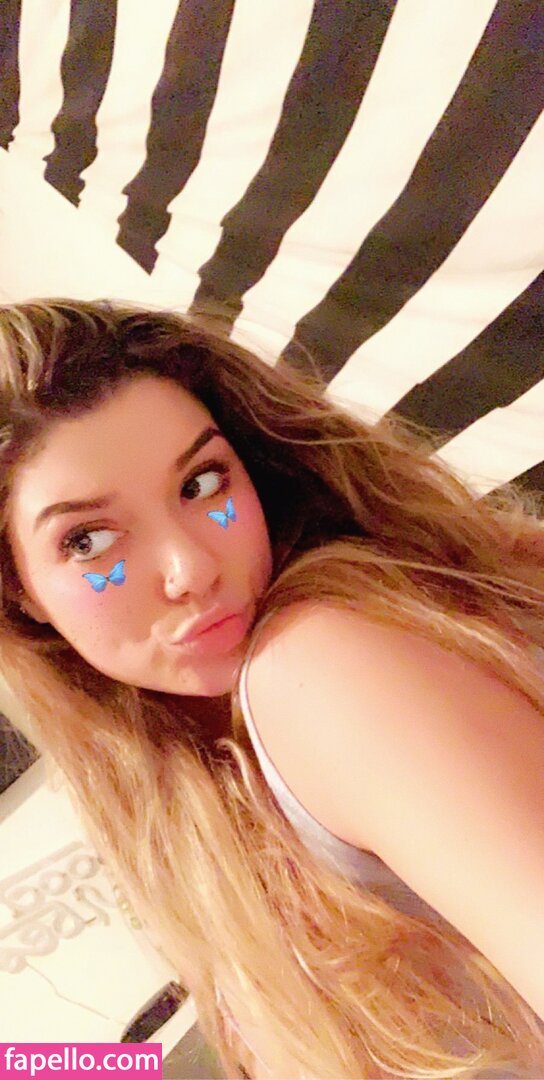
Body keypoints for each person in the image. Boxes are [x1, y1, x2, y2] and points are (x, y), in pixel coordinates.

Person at [0, 298, 544, 1080]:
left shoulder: (318, 671)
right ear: (19, 589)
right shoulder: (179, 777)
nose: (190, 569)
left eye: (201, 482)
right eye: (89, 540)